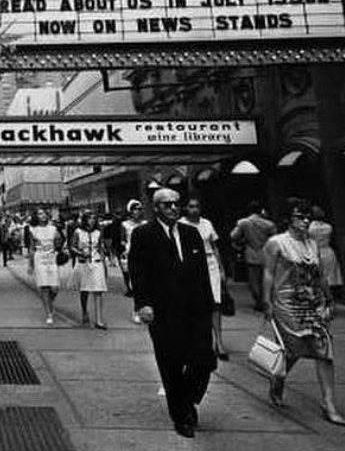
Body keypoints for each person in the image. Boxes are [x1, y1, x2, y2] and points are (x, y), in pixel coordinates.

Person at [129, 187, 217, 439]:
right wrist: (142, 304)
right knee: (172, 364)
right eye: (167, 204)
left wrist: (210, 304)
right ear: (156, 207)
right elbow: (137, 271)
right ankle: (181, 416)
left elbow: (202, 272)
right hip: (163, 311)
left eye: (177, 203)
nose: (174, 208)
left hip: (195, 310)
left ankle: (187, 400)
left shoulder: (191, 233)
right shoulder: (143, 234)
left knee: (203, 360)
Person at [261, 201, 345, 425]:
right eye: (300, 216)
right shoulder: (276, 243)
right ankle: (278, 377)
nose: (306, 221)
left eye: (308, 217)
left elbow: (320, 274)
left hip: (312, 303)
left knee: (324, 349)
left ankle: (329, 403)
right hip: (286, 303)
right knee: (293, 348)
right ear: (289, 219)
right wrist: (266, 301)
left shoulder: (312, 244)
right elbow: (268, 273)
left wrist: (329, 298)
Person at [180, 196, 228, 360]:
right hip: (191, 265)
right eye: (191, 206)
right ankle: (197, 341)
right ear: (186, 208)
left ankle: (219, 342)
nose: (194, 209)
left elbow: (215, 247)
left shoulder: (207, 223)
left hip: (210, 263)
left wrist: (221, 269)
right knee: (195, 303)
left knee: (216, 304)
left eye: (197, 206)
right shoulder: (181, 224)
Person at [230, 201, 276, 311]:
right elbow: (275, 239)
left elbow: (233, 236)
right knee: (266, 278)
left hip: (251, 252)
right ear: (261, 211)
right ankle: (266, 300)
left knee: (253, 280)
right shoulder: (269, 224)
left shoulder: (243, 223)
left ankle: (258, 300)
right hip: (267, 253)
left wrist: (242, 241)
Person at [25, 208, 64, 324]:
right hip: (40, 259)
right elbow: (31, 248)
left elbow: (59, 242)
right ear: (36, 216)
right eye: (39, 214)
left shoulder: (53, 228)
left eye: (44, 213)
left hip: (52, 258)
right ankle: (49, 313)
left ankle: (49, 303)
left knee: (55, 288)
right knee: (44, 287)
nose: (42, 215)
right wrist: (30, 265)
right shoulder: (32, 230)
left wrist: (59, 241)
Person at [72, 211, 108, 329]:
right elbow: (72, 246)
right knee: (85, 290)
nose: (91, 221)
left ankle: (99, 320)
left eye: (94, 218)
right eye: (89, 218)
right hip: (84, 263)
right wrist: (80, 253)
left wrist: (104, 263)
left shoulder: (98, 232)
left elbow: (101, 247)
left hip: (96, 263)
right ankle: (84, 311)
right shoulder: (78, 232)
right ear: (85, 220)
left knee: (98, 291)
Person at [308, 204, 343, 300]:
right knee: (330, 278)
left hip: (314, 252)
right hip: (328, 252)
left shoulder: (309, 228)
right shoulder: (328, 227)